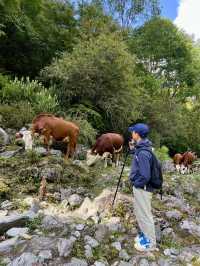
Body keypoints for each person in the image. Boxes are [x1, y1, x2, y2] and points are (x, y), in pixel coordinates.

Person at [128, 123, 157, 252]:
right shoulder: (143, 147)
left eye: (133, 131)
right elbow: (139, 154)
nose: (131, 133)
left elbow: (145, 175)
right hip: (142, 187)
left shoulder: (143, 153)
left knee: (145, 215)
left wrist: (136, 183)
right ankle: (144, 237)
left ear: (137, 134)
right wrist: (133, 149)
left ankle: (150, 244)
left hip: (143, 188)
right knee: (140, 213)